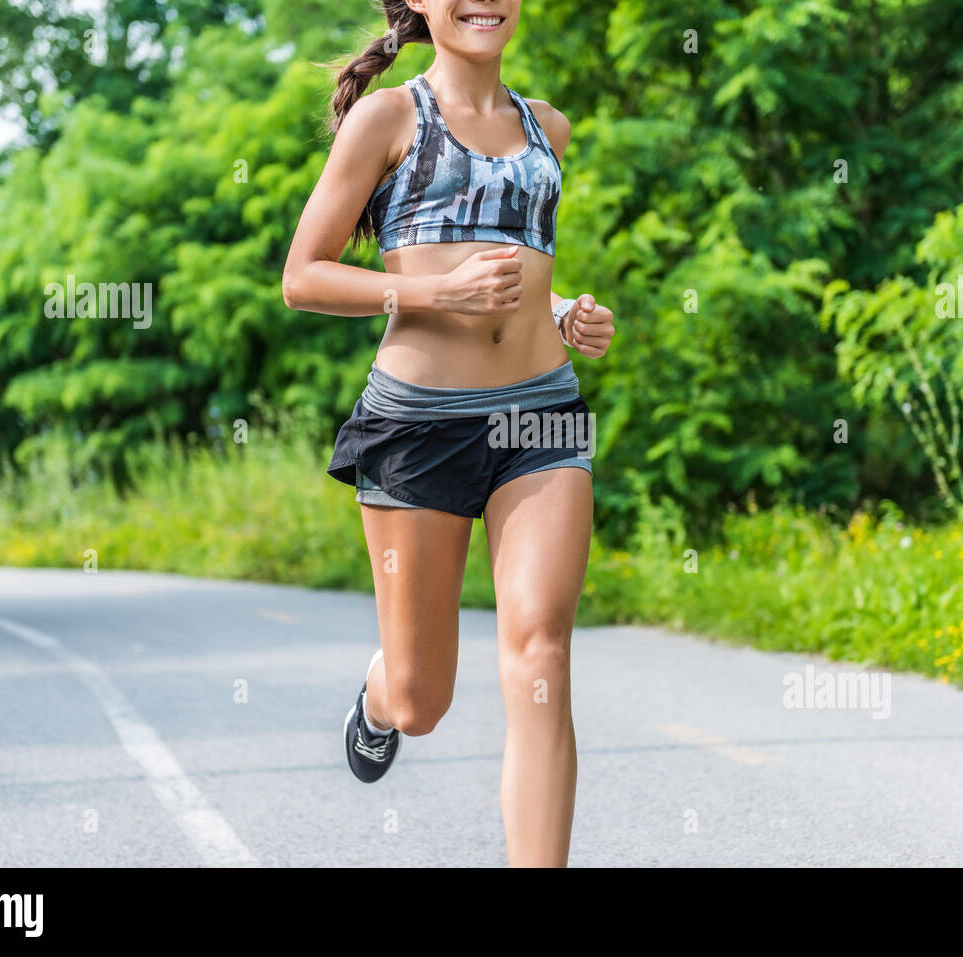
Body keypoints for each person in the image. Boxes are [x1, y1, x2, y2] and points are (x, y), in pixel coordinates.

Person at [282, 1, 615, 867]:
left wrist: (563, 308)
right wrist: (437, 296)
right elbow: (304, 276)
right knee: (423, 698)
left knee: (541, 649)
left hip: (541, 413)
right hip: (418, 427)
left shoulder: (549, 128)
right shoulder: (389, 117)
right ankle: (380, 692)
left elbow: (517, 268)